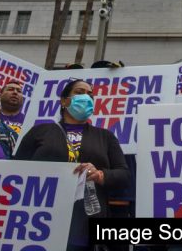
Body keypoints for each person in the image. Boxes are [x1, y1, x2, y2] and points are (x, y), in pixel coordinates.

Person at [14, 77, 129, 251]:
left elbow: (124, 175)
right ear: (64, 101)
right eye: (79, 92)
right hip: (40, 219)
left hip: (85, 221)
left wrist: (100, 175)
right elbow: (16, 171)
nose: (86, 97)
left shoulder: (105, 136)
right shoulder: (40, 131)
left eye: (90, 95)